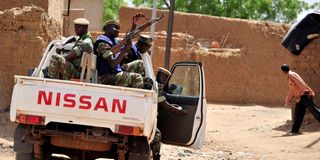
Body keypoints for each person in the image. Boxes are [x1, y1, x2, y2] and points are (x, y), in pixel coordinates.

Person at [94, 14, 148, 88]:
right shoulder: (102, 43)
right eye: (115, 28)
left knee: (139, 64)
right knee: (137, 78)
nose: (118, 30)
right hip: (107, 77)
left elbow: (129, 37)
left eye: (118, 28)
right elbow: (112, 64)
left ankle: (142, 86)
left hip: (115, 71)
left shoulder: (114, 41)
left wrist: (134, 24)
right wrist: (125, 50)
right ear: (107, 29)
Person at [150, 67, 188, 160]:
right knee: (157, 135)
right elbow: (164, 104)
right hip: (149, 117)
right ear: (158, 75)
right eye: (162, 76)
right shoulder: (156, 85)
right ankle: (156, 156)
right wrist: (179, 110)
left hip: (151, 116)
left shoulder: (159, 86)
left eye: (166, 78)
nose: (164, 79)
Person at [281, 64, 320, 135]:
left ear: (283, 71)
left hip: (304, 96)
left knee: (315, 111)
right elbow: (292, 90)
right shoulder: (290, 76)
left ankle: (295, 130)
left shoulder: (291, 75)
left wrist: (307, 92)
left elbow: (300, 83)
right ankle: (295, 130)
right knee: (298, 114)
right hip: (299, 99)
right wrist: (288, 100)